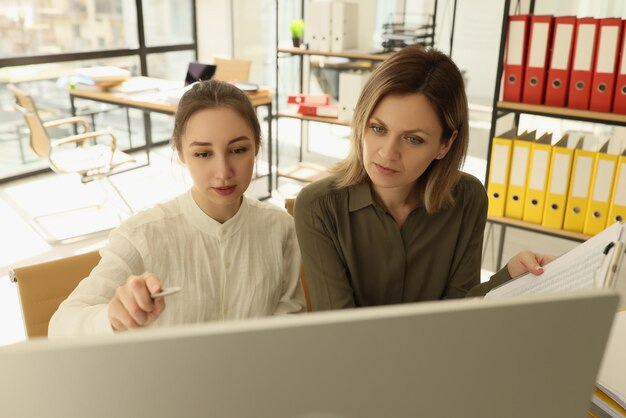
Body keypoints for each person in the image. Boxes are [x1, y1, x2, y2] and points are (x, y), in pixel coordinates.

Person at [294, 46, 553, 311]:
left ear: (445, 144)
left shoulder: (468, 198)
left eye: (413, 139)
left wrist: (510, 274)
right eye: (378, 128)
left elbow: (458, 311)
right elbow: (341, 330)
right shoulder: (318, 206)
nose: (387, 153)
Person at [49, 80, 305, 337]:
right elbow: (61, 326)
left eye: (238, 150)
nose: (223, 172)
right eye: (203, 154)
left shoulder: (281, 229)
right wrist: (112, 317)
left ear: (256, 147)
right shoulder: (141, 236)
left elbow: (289, 323)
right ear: (181, 153)